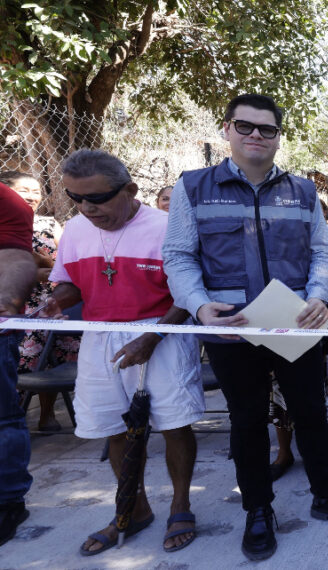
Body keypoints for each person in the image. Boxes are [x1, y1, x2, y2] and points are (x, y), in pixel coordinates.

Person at [164, 93, 328, 561]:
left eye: (267, 129)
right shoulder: (193, 187)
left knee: (311, 411)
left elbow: (323, 252)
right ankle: (258, 509)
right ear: (227, 130)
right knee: (248, 420)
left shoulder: (302, 191)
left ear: (279, 137)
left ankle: (327, 494)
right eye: (246, 126)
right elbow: (178, 256)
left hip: (292, 323)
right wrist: (199, 307)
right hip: (231, 329)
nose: (256, 135)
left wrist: (319, 296)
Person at [42, 150, 204, 555]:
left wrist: (153, 337)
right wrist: (53, 303)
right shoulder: (76, 229)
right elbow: (72, 284)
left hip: (162, 332)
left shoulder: (168, 227)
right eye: (75, 198)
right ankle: (134, 509)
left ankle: (181, 506)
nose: (86, 208)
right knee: (112, 427)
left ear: (130, 190)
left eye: (96, 198)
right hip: (99, 337)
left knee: (174, 424)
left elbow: (189, 293)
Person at [2, 171, 76, 432]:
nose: (32, 196)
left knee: (61, 349)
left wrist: (42, 265)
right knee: (26, 358)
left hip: (51, 298)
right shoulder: (8, 221)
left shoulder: (49, 223)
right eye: (24, 190)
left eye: (36, 191)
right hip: (18, 303)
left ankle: (47, 414)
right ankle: (17, 415)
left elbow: (63, 264)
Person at [0, 181, 37, 549]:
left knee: (2, 418)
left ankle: (8, 500)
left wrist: (6, 303)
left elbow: (15, 257)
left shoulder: (5, 199)